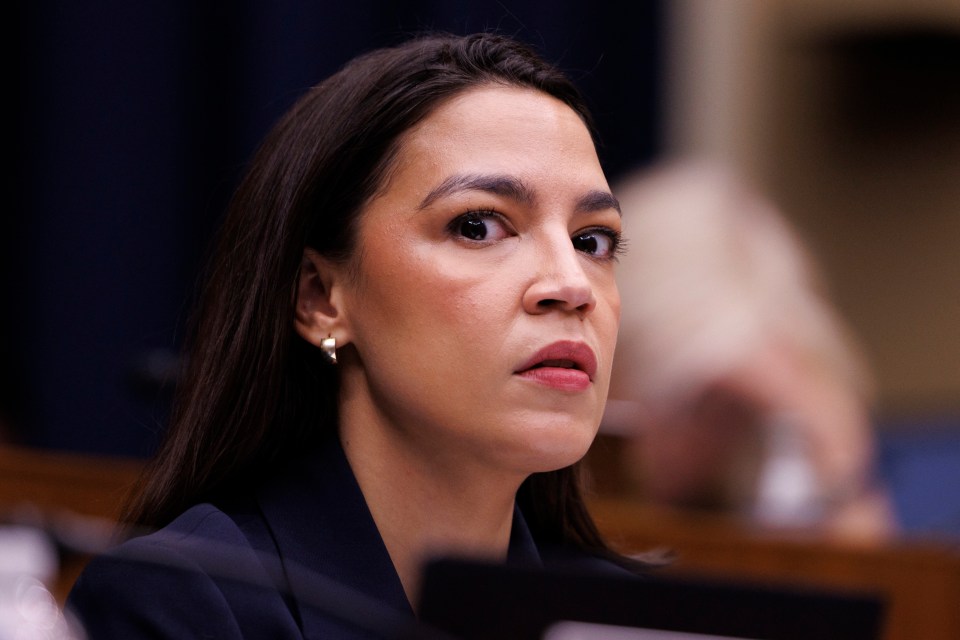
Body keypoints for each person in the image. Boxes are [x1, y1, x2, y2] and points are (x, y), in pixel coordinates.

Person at [66, 32, 634, 638]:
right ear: (319, 297)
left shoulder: (623, 621)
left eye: (592, 241)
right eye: (477, 225)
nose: (572, 285)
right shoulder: (181, 603)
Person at [604, 160, 897, 541]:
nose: (698, 439)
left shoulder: (775, 443)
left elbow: (872, 572)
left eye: (724, 410)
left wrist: (817, 433)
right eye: (683, 402)